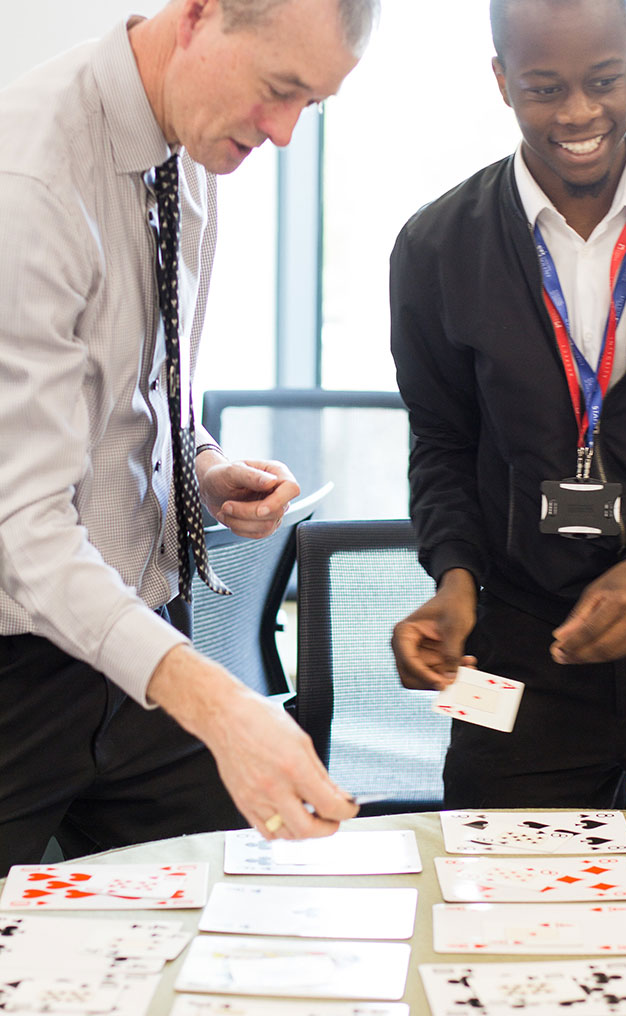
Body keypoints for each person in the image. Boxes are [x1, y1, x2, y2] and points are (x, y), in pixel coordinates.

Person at [0, 0, 379, 877]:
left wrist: (200, 463)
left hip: (135, 641)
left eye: (309, 106)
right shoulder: (32, 185)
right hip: (19, 663)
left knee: (249, 905)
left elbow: (126, 388)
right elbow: (22, 528)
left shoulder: (195, 142)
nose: (283, 133)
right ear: (200, 17)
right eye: (278, 90)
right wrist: (213, 697)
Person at [390, 0, 626, 811]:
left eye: (603, 81)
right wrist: (452, 578)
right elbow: (441, 442)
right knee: (499, 915)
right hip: (520, 650)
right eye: (545, 87)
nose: (580, 113)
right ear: (500, 80)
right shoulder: (436, 245)